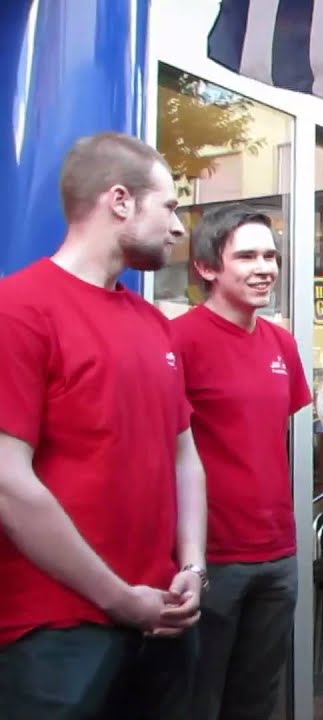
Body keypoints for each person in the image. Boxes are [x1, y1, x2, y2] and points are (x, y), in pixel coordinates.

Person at [0, 132, 205, 718]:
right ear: (120, 201)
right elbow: (9, 481)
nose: (177, 227)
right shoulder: (18, 310)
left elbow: (183, 453)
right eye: (168, 206)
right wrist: (117, 598)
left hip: (163, 619)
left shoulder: (155, 324)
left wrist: (191, 565)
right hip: (56, 633)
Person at [172, 204, 311, 720]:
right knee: (197, 700)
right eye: (247, 256)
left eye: (270, 256)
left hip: (278, 553)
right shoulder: (178, 341)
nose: (264, 268)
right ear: (208, 267)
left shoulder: (282, 343)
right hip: (209, 558)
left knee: (256, 701)